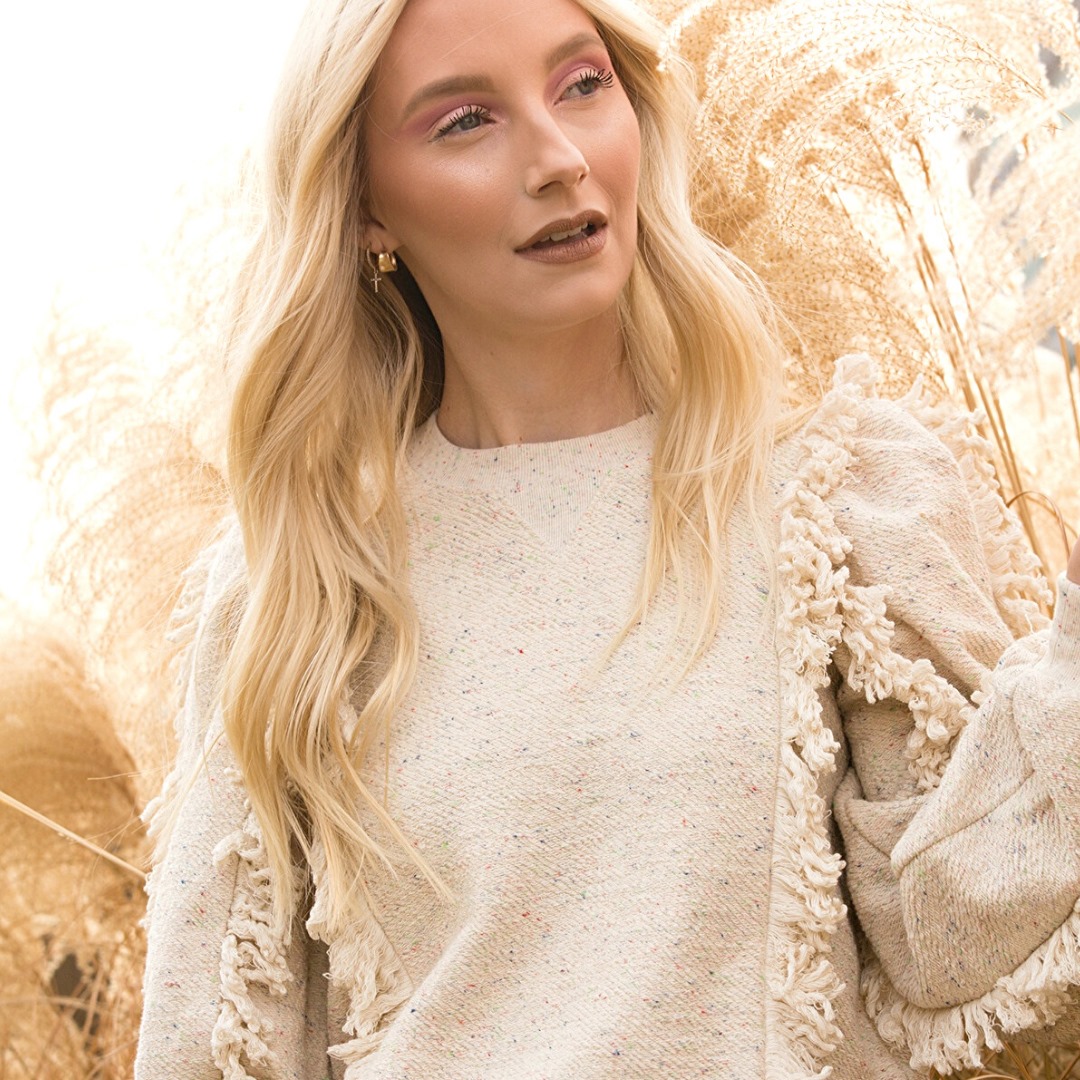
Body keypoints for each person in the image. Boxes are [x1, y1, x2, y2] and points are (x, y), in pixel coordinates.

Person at [134, 0, 1080, 1076]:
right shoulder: (305, 586)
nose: (559, 158)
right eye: (466, 121)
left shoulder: (838, 497)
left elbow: (949, 938)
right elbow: (215, 1048)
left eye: (582, 85)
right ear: (365, 210)